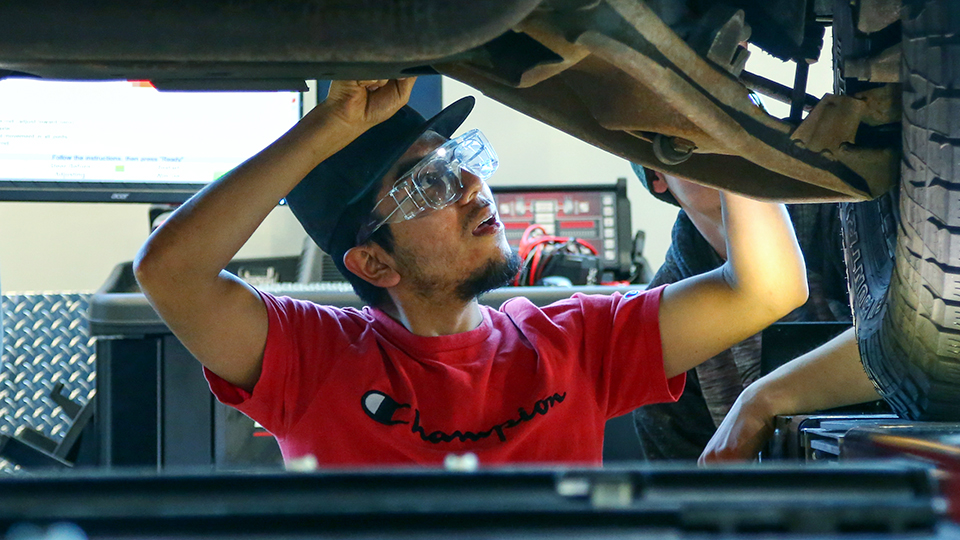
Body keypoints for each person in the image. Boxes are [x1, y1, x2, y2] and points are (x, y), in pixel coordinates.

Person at [133, 78, 808, 467]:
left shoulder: (579, 340)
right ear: (373, 261)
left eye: (460, 161)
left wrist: (725, 123)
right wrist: (327, 126)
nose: (472, 188)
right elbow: (170, 271)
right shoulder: (311, 360)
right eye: (427, 185)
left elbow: (768, 288)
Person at [629, 165, 882, 463]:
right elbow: (686, 484)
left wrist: (762, 400)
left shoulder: (847, 216)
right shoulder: (662, 317)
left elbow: (914, 343)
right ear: (657, 176)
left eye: (733, 126)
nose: (720, 145)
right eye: (686, 139)